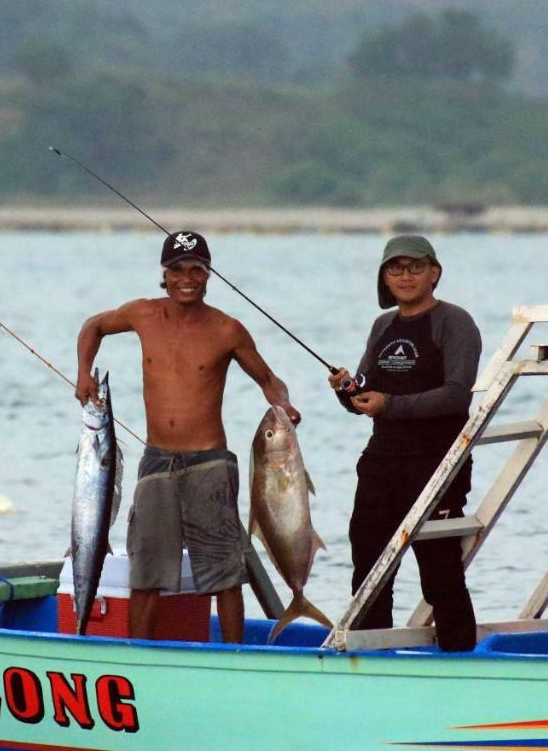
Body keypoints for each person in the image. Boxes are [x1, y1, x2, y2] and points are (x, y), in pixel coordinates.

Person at [75, 230, 299, 643]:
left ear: (208, 273)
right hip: (157, 461)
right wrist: (84, 371)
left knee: (224, 573)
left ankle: (233, 661)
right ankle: (140, 658)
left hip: (209, 462)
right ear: (165, 274)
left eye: (196, 269)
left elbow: (268, 379)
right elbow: (93, 326)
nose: (187, 278)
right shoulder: (142, 314)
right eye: (177, 270)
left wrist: (282, 406)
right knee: (146, 574)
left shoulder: (227, 329)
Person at [328, 234, 481, 651]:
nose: (406, 275)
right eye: (395, 268)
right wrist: (348, 391)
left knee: (440, 572)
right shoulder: (383, 326)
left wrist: (389, 404)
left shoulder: (455, 322)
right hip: (382, 462)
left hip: (438, 464)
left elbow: (456, 393)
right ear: (384, 277)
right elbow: (367, 396)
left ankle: (460, 658)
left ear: (434, 273)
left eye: (416, 266)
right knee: (369, 570)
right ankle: (375, 659)